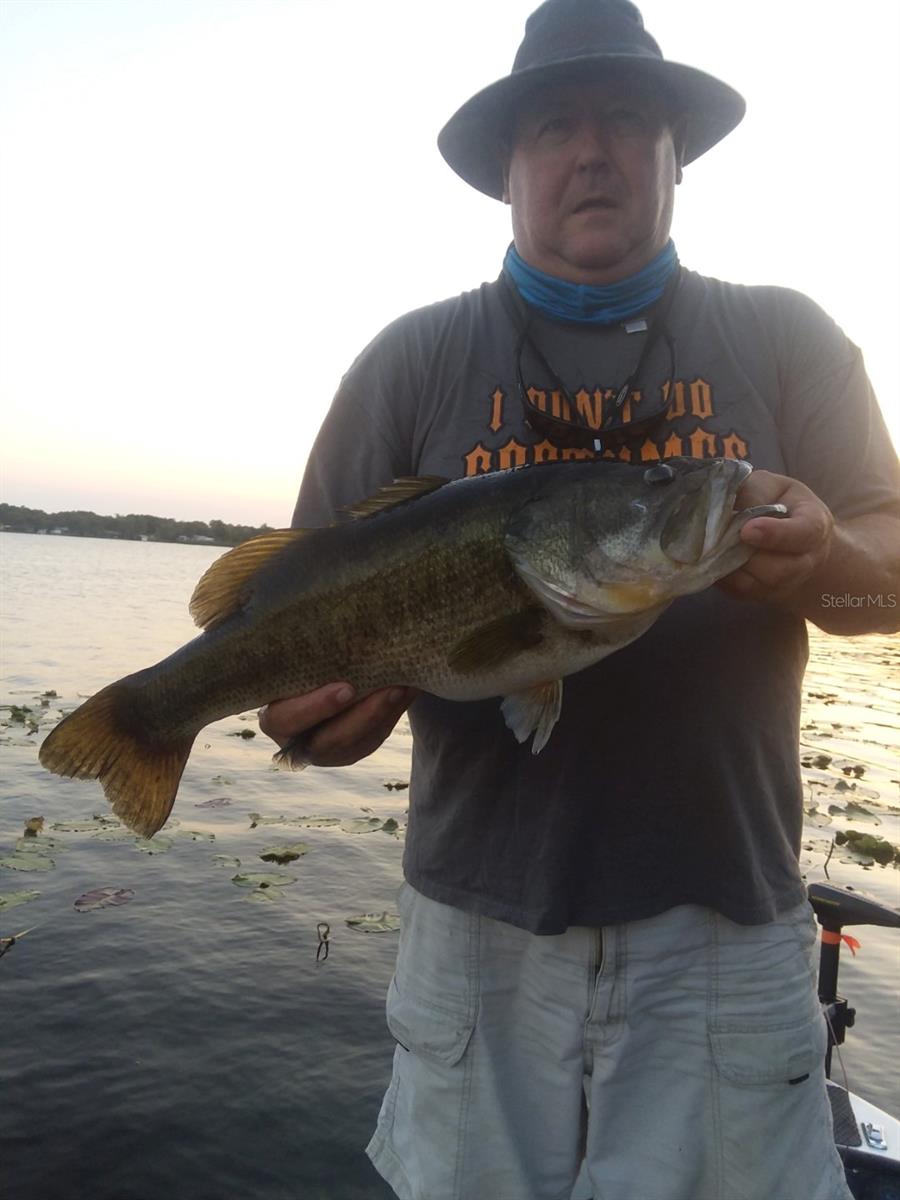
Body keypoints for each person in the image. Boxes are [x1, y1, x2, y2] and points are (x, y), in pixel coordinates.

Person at [260, 2, 900, 1197]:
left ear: (675, 154)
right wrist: (308, 729)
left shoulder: (788, 337)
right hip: (475, 933)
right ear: (508, 170)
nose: (593, 151)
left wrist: (822, 559)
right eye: (555, 126)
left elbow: (891, 572)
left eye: (628, 121)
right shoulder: (409, 361)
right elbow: (293, 620)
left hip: (727, 926)